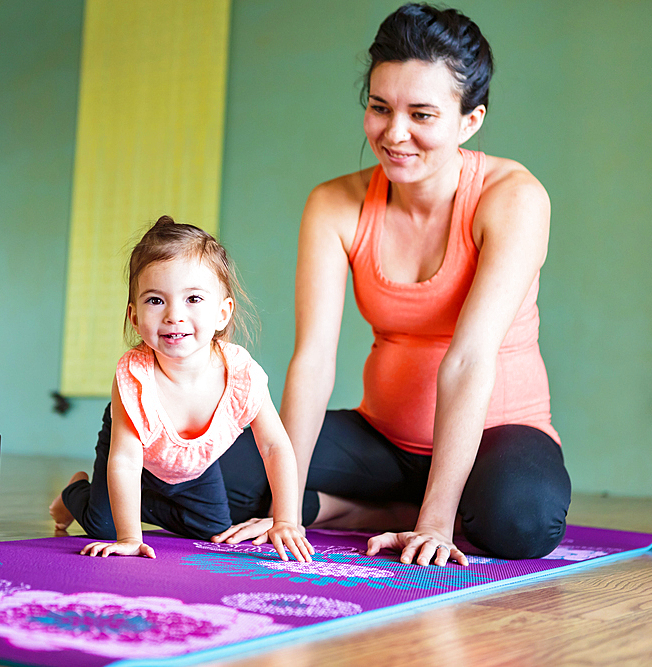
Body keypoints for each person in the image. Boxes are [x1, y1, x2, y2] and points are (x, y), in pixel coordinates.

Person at [215, 3, 571, 566]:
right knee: (212, 474)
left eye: (423, 115)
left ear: (469, 120)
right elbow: (313, 358)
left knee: (522, 522)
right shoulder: (334, 204)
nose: (395, 134)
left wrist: (434, 527)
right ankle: (372, 510)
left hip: (497, 435)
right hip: (381, 440)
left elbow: (470, 356)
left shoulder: (514, 198)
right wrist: (285, 512)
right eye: (380, 108)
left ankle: (424, 507)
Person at [50, 216, 314, 563]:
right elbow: (126, 460)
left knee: (214, 528)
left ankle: (136, 501)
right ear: (134, 317)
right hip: (137, 456)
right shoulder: (134, 375)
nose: (174, 315)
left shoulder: (242, 376)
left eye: (193, 299)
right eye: (155, 301)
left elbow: (275, 446)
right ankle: (75, 491)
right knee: (104, 525)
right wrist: (130, 536)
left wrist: (286, 521)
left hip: (192, 464)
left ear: (222, 313)